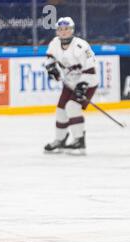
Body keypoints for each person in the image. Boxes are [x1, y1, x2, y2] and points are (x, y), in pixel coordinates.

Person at [43, 17, 98, 155]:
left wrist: (83, 85)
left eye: (66, 29)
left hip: (88, 82)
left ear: (72, 30)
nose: (63, 32)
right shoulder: (55, 43)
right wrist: (51, 69)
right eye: (60, 29)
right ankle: (60, 139)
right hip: (69, 82)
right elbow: (49, 60)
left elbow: (91, 69)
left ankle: (79, 140)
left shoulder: (81, 46)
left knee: (72, 107)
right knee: (61, 110)